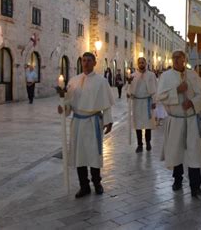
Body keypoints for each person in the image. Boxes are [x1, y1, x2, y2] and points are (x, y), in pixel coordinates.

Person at [57, 52, 114, 198]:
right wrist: (63, 107)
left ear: (95, 63)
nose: (86, 63)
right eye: (83, 60)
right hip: (77, 123)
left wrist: (108, 121)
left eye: (89, 60)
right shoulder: (74, 81)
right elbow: (68, 104)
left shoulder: (102, 82)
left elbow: (106, 105)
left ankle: (97, 183)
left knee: (93, 154)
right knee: (79, 155)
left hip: (92, 121)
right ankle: (84, 186)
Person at [156, 50, 201, 197]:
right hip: (176, 118)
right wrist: (177, 91)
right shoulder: (165, 76)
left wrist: (192, 102)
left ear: (184, 59)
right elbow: (160, 96)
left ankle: (195, 186)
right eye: (174, 58)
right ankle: (177, 180)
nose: (177, 60)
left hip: (190, 118)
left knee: (194, 152)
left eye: (180, 58)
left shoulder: (193, 75)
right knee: (176, 150)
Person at [128, 57, 157, 153]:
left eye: (143, 62)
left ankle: (148, 142)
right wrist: (129, 84)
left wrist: (154, 101)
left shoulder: (151, 75)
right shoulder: (133, 76)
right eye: (139, 62)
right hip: (137, 103)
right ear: (137, 64)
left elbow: (155, 89)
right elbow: (129, 92)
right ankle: (139, 144)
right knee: (138, 125)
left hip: (147, 102)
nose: (141, 64)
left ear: (146, 63)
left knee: (148, 124)